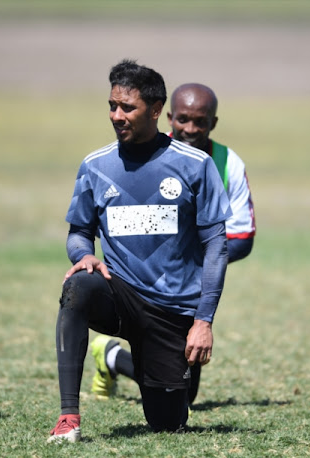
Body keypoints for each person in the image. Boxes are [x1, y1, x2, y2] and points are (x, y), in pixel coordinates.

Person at [48, 60, 231, 443]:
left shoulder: (195, 165)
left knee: (168, 422)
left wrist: (203, 320)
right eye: (112, 105)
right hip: (119, 292)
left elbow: (217, 244)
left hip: (172, 309)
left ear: (155, 108)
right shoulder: (95, 166)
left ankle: (116, 360)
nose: (117, 115)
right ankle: (68, 418)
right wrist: (83, 255)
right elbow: (79, 232)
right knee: (79, 286)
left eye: (127, 108)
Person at [88, 83, 256, 407]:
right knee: (166, 372)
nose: (190, 129)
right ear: (168, 118)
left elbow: (244, 237)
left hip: (189, 284)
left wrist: (193, 261)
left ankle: (109, 355)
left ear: (213, 123)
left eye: (200, 121)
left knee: (185, 394)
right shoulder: (143, 154)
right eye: (182, 120)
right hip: (138, 278)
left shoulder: (227, 163)